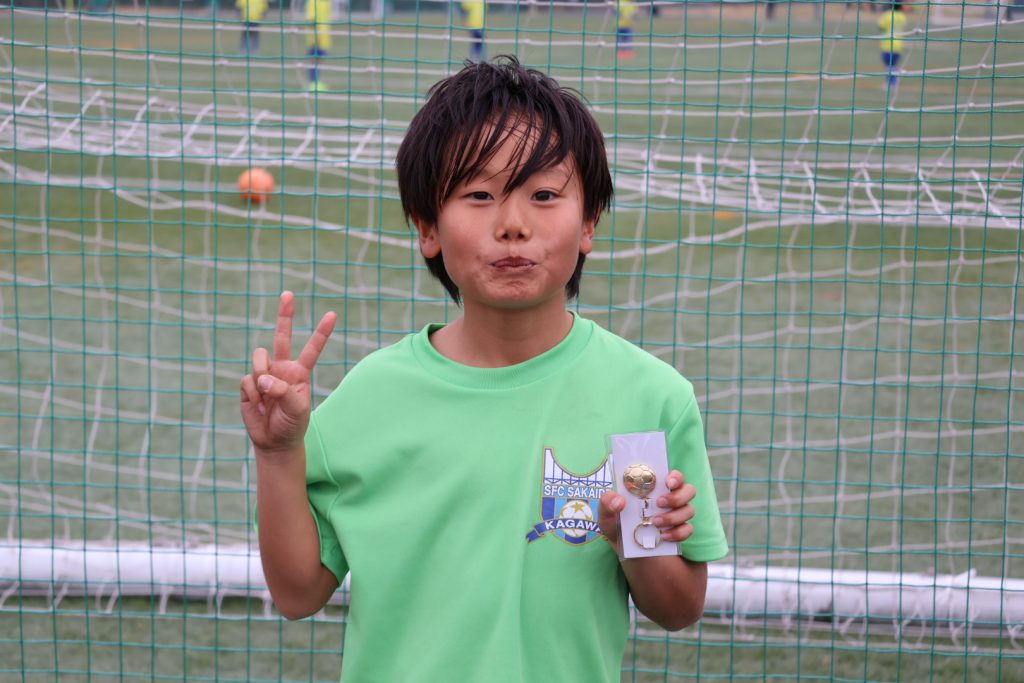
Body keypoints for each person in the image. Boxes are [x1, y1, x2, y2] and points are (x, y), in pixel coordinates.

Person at [241, 56, 729, 682]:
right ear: (427, 227)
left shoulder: (649, 396)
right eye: (478, 195)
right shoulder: (371, 395)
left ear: (588, 223)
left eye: (544, 195)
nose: (513, 225)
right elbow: (296, 593)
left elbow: (679, 608)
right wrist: (279, 453)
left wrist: (629, 537)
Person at [878, 1, 907, 88]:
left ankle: (890, 83)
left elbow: (881, 27)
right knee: (893, 64)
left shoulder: (887, 15)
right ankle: (893, 82)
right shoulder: (902, 16)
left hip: (888, 44)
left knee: (888, 65)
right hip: (899, 44)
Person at [306, 0, 331, 91]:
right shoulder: (313, 2)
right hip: (316, 37)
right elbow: (311, 20)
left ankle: (316, 82)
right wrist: (316, 35)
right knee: (314, 59)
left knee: (320, 60)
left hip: (324, 36)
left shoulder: (326, 2)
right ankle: (313, 83)